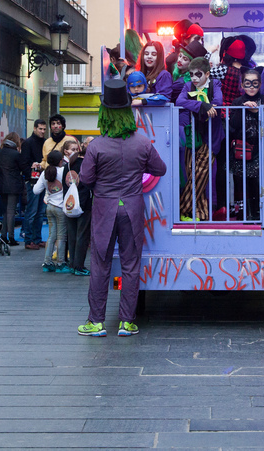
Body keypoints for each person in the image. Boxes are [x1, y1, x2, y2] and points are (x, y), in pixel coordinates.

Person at [77, 79, 166, 337]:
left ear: (104, 113)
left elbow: (85, 179)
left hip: (104, 208)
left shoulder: (96, 146)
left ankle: (96, 322)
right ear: (128, 112)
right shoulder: (142, 143)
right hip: (133, 207)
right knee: (130, 264)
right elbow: (160, 169)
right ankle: (127, 322)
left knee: (100, 265)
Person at [176, 56, 224, 220]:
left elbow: (218, 102)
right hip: (192, 137)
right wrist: (202, 105)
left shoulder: (215, 84)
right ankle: (200, 214)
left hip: (210, 138)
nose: (195, 78)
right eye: (191, 74)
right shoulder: (187, 85)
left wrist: (205, 104)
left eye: (198, 74)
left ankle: (181, 210)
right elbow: (180, 101)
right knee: (194, 176)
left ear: (207, 74)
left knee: (199, 176)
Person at [229, 68, 264, 221]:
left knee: (258, 183)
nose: (251, 87)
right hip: (242, 149)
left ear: (260, 85)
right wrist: (242, 110)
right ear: (242, 85)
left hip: (262, 149)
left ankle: (259, 214)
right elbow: (233, 126)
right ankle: (244, 214)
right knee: (241, 183)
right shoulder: (237, 102)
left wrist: (257, 112)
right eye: (248, 83)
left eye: (255, 84)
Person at [34, 149, 69, 272]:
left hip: (49, 207)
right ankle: (60, 263)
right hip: (61, 208)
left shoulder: (45, 173)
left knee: (51, 235)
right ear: (61, 161)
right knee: (61, 236)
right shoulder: (64, 171)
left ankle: (47, 262)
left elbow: (36, 190)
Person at [66, 136, 94, 276]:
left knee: (71, 235)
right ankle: (79, 265)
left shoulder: (69, 165)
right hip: (84, 204)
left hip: (70, 204)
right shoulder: (87, 165)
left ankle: (72, 264)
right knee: (82, 235)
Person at [19, 119, 47, 250]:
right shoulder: (28, 143)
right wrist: (30, 174)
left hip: (42, 180)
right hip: (32, 181)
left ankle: (37, 238)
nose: (42, 131)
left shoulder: (45, 142)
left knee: (40, 212)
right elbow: (23, 163)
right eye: (40, 129)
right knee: (32, 211)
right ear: (35, 128)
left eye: (44, 129)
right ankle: (29, 239)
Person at [0, 132, 23, 247]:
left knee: (5, 212)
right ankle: (11, 237)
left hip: (1, 185)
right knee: (11, 211)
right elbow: (21, 167)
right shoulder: (16, 154)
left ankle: (3, 236)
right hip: (13, 185)